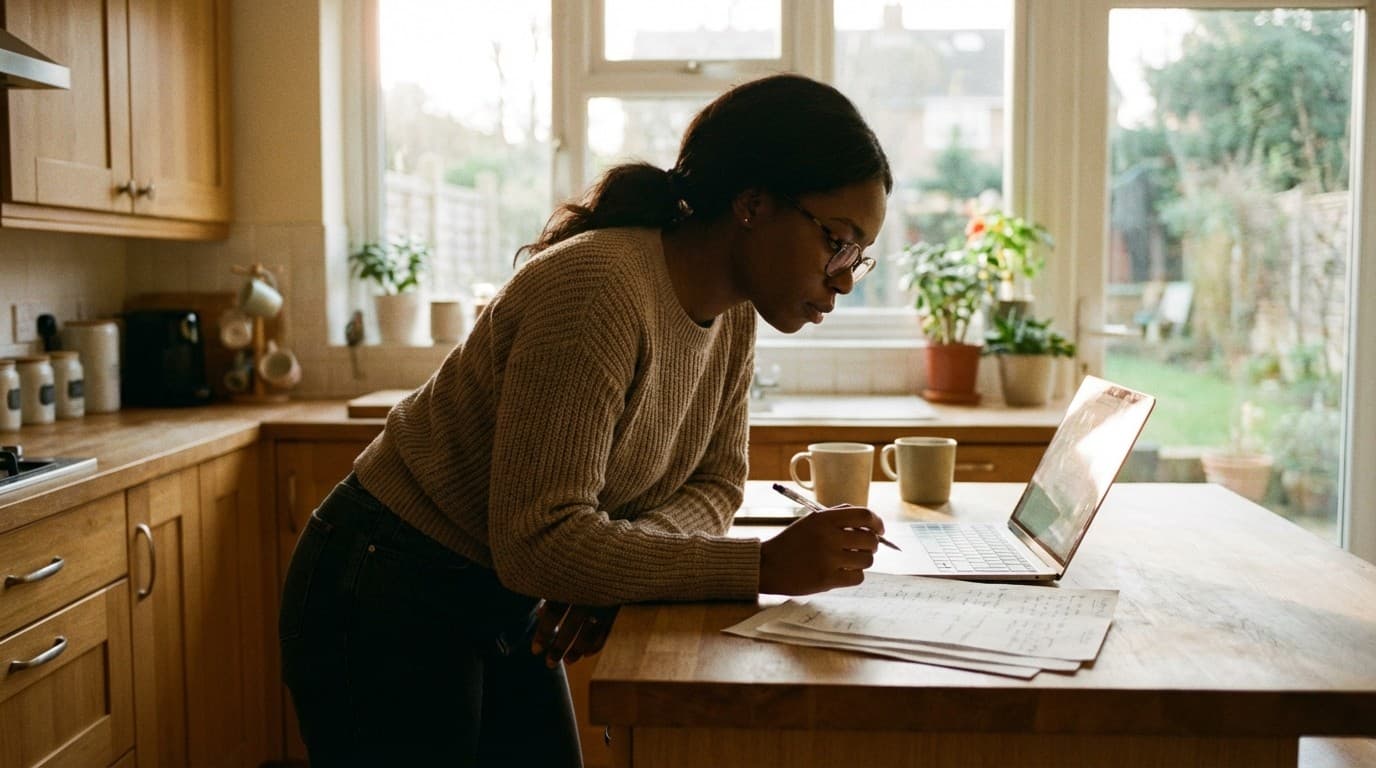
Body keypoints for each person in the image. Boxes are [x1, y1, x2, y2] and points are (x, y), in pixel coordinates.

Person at [279, 72, 894, 766]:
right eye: (837, 242)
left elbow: (716, 487)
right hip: (383, 585)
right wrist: (760, 563)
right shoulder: (599, 289)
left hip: (496, 594)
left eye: (858, 257)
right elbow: (540, 541)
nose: (844, 277)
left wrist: (615, 569)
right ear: (752, 204)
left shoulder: (733, 316)